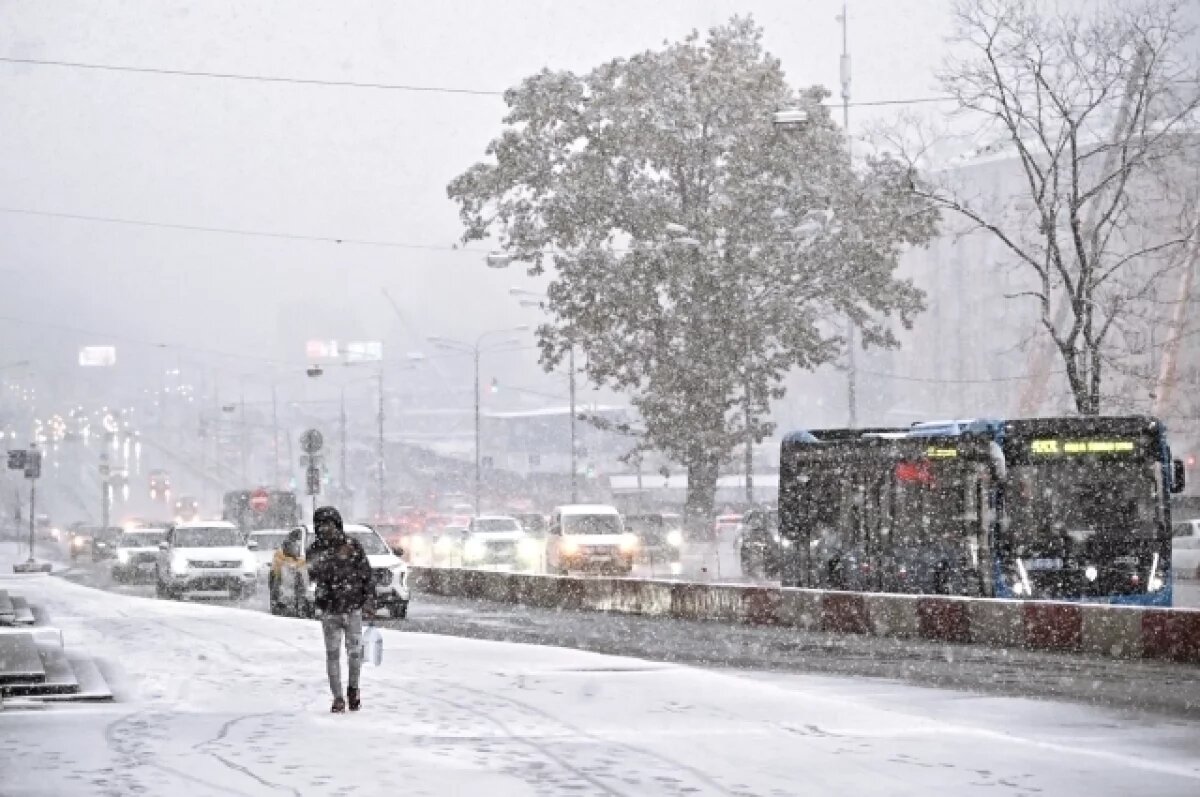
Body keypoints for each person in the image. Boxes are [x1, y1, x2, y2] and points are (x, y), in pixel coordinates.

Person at [306, 506, 375, 713]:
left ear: (338, 524)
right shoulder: (315, 550)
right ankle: (337, 698)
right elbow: (312, 575)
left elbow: (366, 574)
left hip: (352, 608)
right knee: (333, 654)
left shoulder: (353, 546)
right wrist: (330, 560)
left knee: (355, 654)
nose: (327, 529)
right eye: (322, 525)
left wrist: (369, 600)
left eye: (330, 524)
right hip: (330, 609)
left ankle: (353, 689)